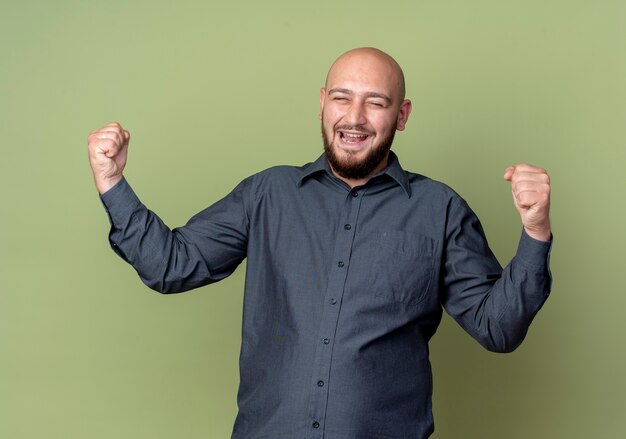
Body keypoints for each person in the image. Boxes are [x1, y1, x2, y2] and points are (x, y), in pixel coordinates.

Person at [87, 47, 552, 439]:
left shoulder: (440, 210)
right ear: (322, 103)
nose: (354, 117)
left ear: (402, 115)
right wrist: (112, 182)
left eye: (376, 103)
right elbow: (171, 264)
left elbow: (498, 328)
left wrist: (535, 232)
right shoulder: (267, 195)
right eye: (342, 98)